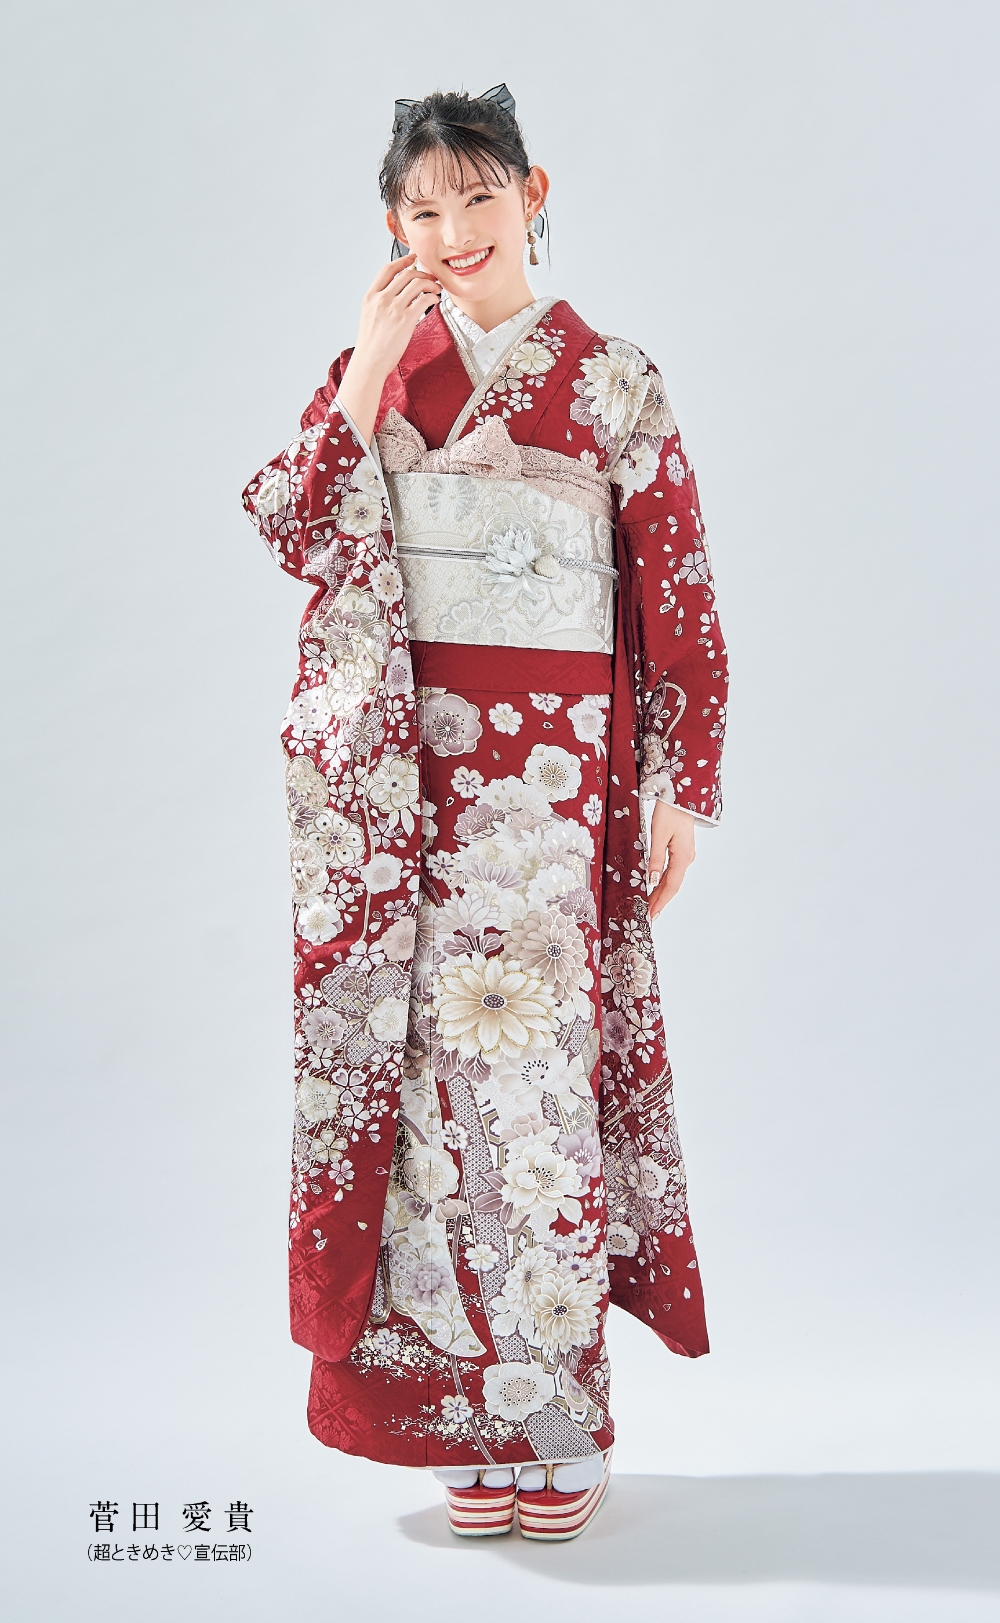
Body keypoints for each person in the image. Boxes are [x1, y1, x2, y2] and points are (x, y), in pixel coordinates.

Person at [242, 85, 728, 1542]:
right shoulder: (378, 371)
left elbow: (676, 584)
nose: (453, 230)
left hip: (551, 793)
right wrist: (361, 378)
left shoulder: (614, 380)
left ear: (532, 194)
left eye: (477, 197)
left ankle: (555, 1416)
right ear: (393, 225)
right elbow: (287, 524)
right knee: (421, 1106)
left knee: (539, 1092)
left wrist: (678, 782)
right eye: (423, 209)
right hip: (406, 793)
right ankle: (454, 1413)